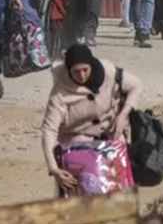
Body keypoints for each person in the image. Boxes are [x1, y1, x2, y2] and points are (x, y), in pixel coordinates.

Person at [41, 44, 141, 197]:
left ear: (91, 65)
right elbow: (49, 129)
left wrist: (123, 115)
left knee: (118, 189)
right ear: (68, 70)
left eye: (85, 70)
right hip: (77, 145)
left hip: (111, 138)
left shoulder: (110, 74)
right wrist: (53, 168)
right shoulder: (60, 93)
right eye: (76, 72)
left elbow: (136, 85)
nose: (81, 76)